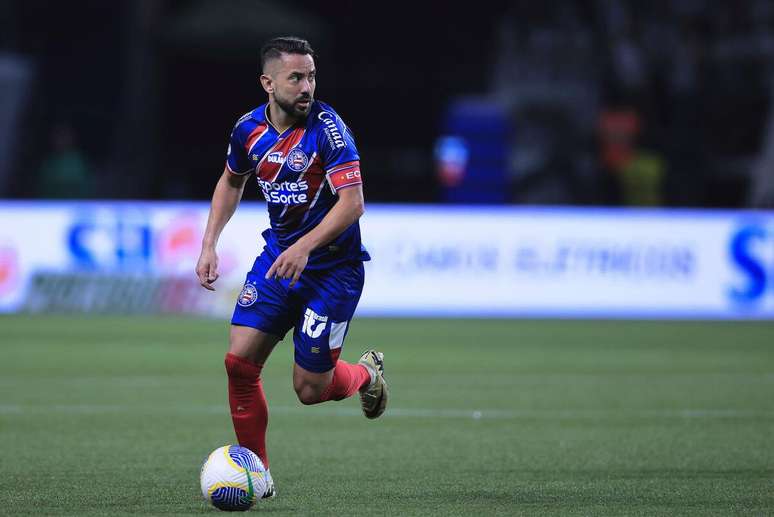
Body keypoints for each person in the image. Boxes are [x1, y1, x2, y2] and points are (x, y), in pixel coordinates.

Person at [195, 36, 388, 499]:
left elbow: (353, 203)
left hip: (333, 271)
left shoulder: (329, 129)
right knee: (239, 363)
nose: (307, 87)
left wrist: (304, 246)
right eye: (296, 77)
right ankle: (257, 475)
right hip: (279, 260)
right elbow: (230, 181)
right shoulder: (248, 130)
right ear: (268, 83)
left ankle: (367, 374)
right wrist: (208, 244)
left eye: (312, 76)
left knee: (310, 389)